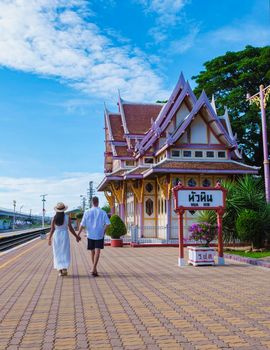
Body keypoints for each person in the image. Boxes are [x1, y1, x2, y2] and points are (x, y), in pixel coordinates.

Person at [78, 196, 110, 277]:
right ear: (98, 202)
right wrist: (103, 231)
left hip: (90, 234)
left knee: (92, 252)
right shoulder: (103, 212)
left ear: (92, 202)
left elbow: (82, 224)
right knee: (97, 252)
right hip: (99, 234)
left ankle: (93, 268)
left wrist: (78, 235)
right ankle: (94, 268)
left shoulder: (87, 212)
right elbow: (108, 224)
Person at [48, 202, 81, 276]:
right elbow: (71, 228)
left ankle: (60, 271)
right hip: (64, 235)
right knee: (65, 252)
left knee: (57, 252)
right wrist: (76, 236)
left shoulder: (53, 218)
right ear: (64, 210)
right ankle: (65, 269)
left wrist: (49, 238)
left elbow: (52, 229)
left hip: (56, 236)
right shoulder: (67, 217)